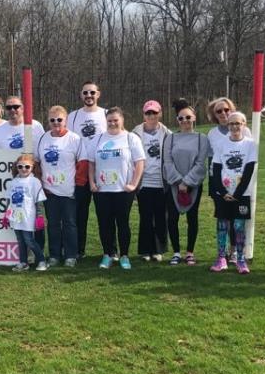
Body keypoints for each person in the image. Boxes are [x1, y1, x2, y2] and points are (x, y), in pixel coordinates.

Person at [85, 107, 145, 270]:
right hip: (102, 191)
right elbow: (91, 163)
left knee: (123, 223)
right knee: (105, 224)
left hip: (122, 191)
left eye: (115, 120)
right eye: (109, 120)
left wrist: (133, 183)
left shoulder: (131, 138)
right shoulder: (97, 139)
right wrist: (92, 182)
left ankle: (124, 255)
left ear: (122, 120)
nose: (112, 123)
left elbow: (139, 162)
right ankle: (108, 254)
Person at [35, 105, 83, 267]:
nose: (56, 123)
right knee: (53, 224)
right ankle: (54, 254)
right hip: (50, 191)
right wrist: (41, 182)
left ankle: (70, 255)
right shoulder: (44, 138)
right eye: (52, 120)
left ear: (66, 120)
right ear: (48, 121)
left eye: (59, 120)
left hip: (68, 191)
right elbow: (37, 162)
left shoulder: (74, 139)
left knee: (69, 223)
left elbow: (82, 164)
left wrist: (78, 186)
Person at [162, 100, 209, 265]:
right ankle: (176, 252)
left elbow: (200, 163)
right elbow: (167, 162)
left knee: (192, 218)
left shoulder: (201, 138)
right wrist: (178, 182)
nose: (185, 121)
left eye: (188, 117)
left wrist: (187, 182)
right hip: (174, 185)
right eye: (181, 118)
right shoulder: (171, 138)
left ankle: (190, 252)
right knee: (172, 218)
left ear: (194, 117)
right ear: (177, 120)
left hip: (193, 185)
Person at [210, 111, 257, 274]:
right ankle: (221, 257)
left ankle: (240, 259)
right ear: (228, 125)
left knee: (238, 226)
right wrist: (222, 192)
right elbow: (215, 170)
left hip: (241, 194)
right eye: (232, 123)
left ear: (244, 125)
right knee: (222, 225)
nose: (235, 126)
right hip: (223, 194)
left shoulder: (250, 144)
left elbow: (249, 170)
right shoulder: (221, 144)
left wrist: (237, 194)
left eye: (238, 123)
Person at [67, 81, 108, 259]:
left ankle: (110, 251)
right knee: (79, 214)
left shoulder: (107, 114)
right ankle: (78, 250)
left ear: (98, 94)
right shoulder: (73, 116)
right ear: (80, 95)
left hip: (103, 170)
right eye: (85, 93)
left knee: (105, 215)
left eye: (92, 92)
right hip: (81, 171)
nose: (88, 96)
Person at [132, 100, 172, 262]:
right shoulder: (135, 134)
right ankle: (145, 250)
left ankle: (159, 250)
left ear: (160, 114)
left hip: (161, 182)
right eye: (148, 113)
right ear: (144, 115)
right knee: (146, 217)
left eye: (154, 113)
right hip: (144, 182)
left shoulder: (167, 134)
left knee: (161, 217)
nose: (151, 116)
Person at [4, 154, 48, 272]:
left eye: (27, 167)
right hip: (15, 216)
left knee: (29, 240)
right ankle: (23, 262)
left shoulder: (35, 182)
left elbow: (38, 200)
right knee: (20, 240)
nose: (24, 169)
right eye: (20, 166)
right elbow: (9, 200)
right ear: (16, 167)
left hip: (28, 216)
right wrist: (6, 215)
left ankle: (42, 260)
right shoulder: (13, 182)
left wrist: (39, 216)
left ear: (32, 167)